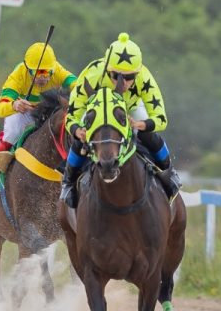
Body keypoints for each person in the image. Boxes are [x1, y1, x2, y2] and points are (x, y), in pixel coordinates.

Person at [60, 32, 181, 209]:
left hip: (130, 107)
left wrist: (139, 125)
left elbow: (161, 119)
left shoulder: (144, 78)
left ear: (137, 73)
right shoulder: (92, 74)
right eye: (115, 76)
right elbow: (72, 115)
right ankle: (68, 182)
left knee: (148, 135)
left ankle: (169, 172)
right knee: (81, 139)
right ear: (107, 69)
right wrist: (78, 130)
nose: (122, 83)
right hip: (98, 108)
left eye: (129, 77)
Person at [0, 42, 77, 197]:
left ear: (53, 68)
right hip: (23, 112)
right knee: (13, 131)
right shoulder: (17, 75)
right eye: (37, 72)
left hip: (48, 110)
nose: (42, 77)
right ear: (27, 68)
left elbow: (78, 85)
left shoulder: (58, 70)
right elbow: (0, 109)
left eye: (46, 72)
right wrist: (15, 104)